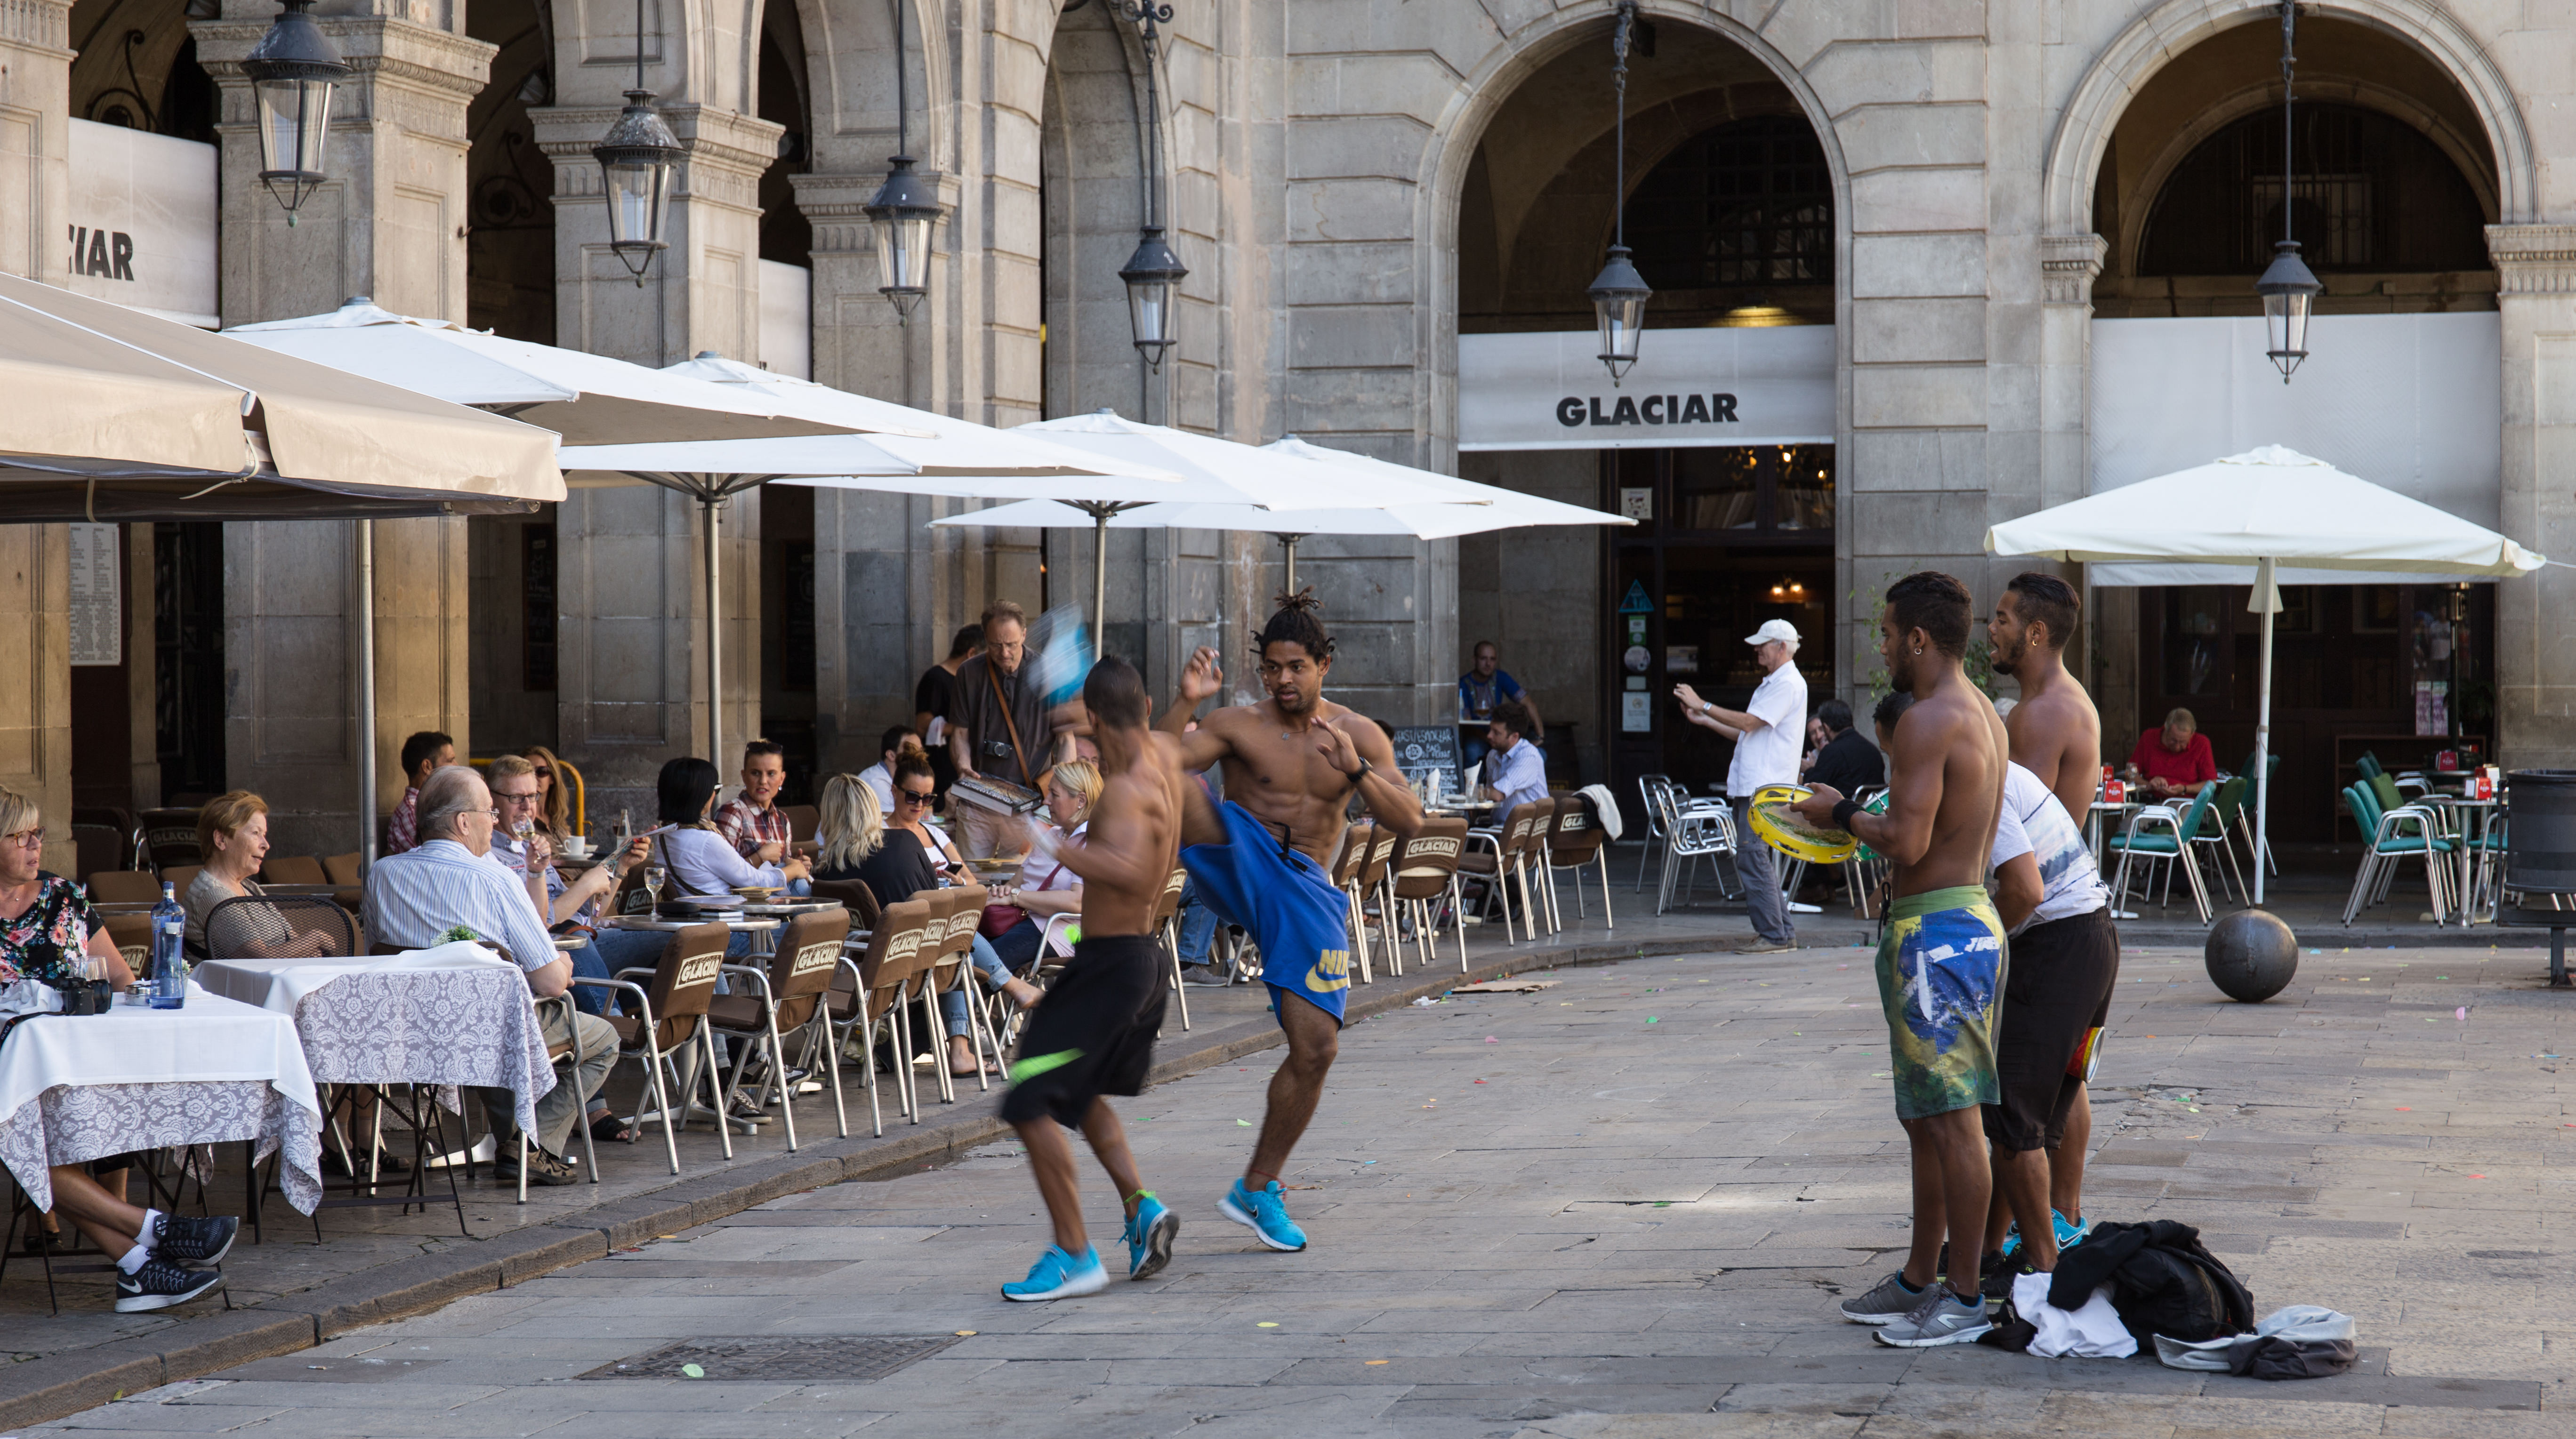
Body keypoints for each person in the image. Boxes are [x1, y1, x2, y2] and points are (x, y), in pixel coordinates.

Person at [1160, 589, 1423, 1254]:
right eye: (1271, 668)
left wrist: (1356, 771)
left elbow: (1411, 822)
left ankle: (1257, 1186)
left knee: (1317, 1048)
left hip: (1304, 886)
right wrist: (1187, 701)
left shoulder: (1359, 734)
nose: (1282, 680)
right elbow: (1154, 761)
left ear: (1323, 665)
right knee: (1173, 785)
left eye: (1296, 667)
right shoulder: (1237, 725)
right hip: (1240, 855)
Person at [1790, 571, 2007, 1349]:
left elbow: (1907, 841)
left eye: (1885, 634)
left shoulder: (1925, 719)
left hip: (1937, 933)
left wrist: (1839, 811)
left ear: (1918, 638)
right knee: (1925, 1118)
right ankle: (1920, 1277)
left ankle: (1965, 1295)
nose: (1880, 646)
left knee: (1952, 1120)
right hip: (1959, 920)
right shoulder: (1982, 710)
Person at [0, 788, 240, 1312]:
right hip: (9, 1073)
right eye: (19, 836)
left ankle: (138, 1263)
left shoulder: (64, 899)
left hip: (72, 1064)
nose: (34, 846)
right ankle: (154, 1233)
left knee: (50, 1133)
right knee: (24, 1139)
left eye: (37, 834)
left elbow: (119, 977)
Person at [1000, 656, 1184, 1300]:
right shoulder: (1159, 766)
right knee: (1079, 1097)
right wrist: (1190, 700)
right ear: (1148, 707)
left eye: (1087, 722)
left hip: (1112, 966)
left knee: (1028, 1098)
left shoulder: (1127, 790)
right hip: (1137, 961)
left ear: (1100, 719)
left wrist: (1049, 842)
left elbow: (1129, 871)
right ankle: (1141, 1208)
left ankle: (1075, 1253)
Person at [362, 765, 618, 1187]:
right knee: (603, 1038)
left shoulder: (382, 873)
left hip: (410, 1031)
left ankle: (517, 1146)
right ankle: (531, 1145)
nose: (496, 823)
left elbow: (378, 953)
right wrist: (562, 964)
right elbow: (552, 983)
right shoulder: (495, 877)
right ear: (464, 822)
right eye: (490, 812)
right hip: (486, 1031)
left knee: (496, 1018)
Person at [1987, 570, 2111, 1247]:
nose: (1991, 629)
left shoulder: (2038, 715)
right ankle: (2058, 1217)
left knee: (2028, 1099)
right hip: (2074, 917)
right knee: (2065, 1076)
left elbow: (2007, 829)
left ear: (2036, 633)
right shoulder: (2063, 699)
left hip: (2051, 920)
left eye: (2003, 619)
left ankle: (2039, 1230)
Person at [1977, 754, 2116, 1294]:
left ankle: (2044, 1271)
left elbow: (2025, 890)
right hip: (2086, 936)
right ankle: (1992, 1253)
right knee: (2019, 1122)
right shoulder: (1999, 767)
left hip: (2059, 945)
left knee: (2015, 1119)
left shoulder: (1982, 776)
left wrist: (1978, 948)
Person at [820, 758, 1032, 1074]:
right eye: (913, 796)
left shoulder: (823, 871)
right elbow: (934, 904)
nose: (920, 804)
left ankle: (1003, 994)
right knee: (955, 940)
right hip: (919, 969)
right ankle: (979, 1026)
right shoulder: (903, 842)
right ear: (874, 806)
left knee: (951, 938)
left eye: (928, 798)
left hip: (862, 972)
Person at [488, 756, 654, 1069]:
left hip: (583, 939)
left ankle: (721, 1066)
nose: (527, 807)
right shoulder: (490, 854)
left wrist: (620, 867)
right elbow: (541, 922)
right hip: (554, 953)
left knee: (685, 941)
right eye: (516, 798)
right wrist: (585, 884)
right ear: (492, 802)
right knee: (580, 944)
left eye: (533, 796)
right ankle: (613, 1035)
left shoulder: (530, 843)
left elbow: (590, 914)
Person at [1673, 618, 1809, 954]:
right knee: (1755, 857)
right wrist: (1706, 719)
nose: (1757, 650)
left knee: (1752, 856)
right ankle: (1782, 933)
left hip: (1763, 787)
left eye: (1763, 644)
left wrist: (1703, 704)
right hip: (1758, 785)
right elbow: (1749, 732)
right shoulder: (1777, 682)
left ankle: (1774, 935)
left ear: (1781, 647)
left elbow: (1748, 723)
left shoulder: (1786, 683)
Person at [948, 602, 1073, 858]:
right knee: (973, 878)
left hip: (1027, 805)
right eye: (996, 645)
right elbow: (960, 734)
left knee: (1018, 879)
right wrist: (963, 766)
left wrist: (1060, 789)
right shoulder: (968, 673)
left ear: (1024, 635)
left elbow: (1066, 740)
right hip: (978, 800)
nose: (1004, 653)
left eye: (1012, 644)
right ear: (986, 638)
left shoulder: (1049, 672)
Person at [181, 790, 330, 960]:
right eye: (255, 833)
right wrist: (317, 938)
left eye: (264, 835)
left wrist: (308, 948)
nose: (266, 845)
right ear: (221, 840)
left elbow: (292, 939)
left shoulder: (250, 887)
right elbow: (260, 959)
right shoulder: (211, 894)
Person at [987, 761, 1099, 974]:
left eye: (1054, 795)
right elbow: (1014, 884)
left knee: (982, 964)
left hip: (1064, 934)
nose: (1046, 801)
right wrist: (1000, 894)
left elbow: (1077, 902)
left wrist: (1015, 897)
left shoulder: (1093, 842)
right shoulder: (1053, 834)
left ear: (1081, 801)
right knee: (966, 950)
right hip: (1024, 920)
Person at [654, 756, 811, 907]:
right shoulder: (706, 840)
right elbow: (755, 882)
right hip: (726, 919)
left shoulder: (664, 836)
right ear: (701, 796)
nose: (714, 795)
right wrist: (794, 870)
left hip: (704, 915)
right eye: (715, 789)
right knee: (798, 886)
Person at [714, 739, 809, 896]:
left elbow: (783, 874)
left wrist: (798, 866)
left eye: (771, 774)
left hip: (778, 903)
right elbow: (722, 877)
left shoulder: (782, 819)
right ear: (744, 776)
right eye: (755, 773)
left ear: (782, 778)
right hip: (745, 903)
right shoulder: (732, 813)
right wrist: (760, 857)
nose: (763, 781)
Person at [916, 622, 983, 798]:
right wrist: (963, 726)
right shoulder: (936, 679)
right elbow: (922, 725)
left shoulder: (972, 681)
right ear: (972, 654)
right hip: (942, 765)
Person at [1457, 641, 1540, 771]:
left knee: (1539, 753)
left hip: (1501, 736)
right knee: (1472, 750)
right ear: (1474, 660)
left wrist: (1541, 736)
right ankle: (1473, 785)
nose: (1488, 664)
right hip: (1478, 737)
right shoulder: (1464, 683)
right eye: (1483, 659)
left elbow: (1528, 703)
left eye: (1492, 659)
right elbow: (1467, 724)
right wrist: (1490, 739)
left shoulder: (1500, 678)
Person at [384, 730, 454, 856]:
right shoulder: (412, 812)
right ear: (427, 766)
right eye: (450, 761)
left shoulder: (428, 806)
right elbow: (438, 856)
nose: (456, 766)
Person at [2126, 707, 2215, 801]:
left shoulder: (2202, 743)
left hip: (2185, 801)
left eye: (2183, 742)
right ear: (2166, 729)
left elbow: (2211, 784)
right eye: (2173, 740)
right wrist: (2149, 785)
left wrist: (2184, 789)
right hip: (2152, 800)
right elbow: (2130, 774)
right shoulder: (2149, 738)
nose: (2177, 747)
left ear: (2192, 735)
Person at [857, 725, 924, 814]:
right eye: (911, 750)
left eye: (920, 751)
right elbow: (894, 820)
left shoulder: (903, 779)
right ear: (891, 755)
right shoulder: (876, 782)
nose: (919, 756)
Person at [522, 746, 575, 845]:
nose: (534, 777)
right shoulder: (520, 818)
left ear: (552, 778)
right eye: (528, 772)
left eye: (542, 772)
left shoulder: (557, 816)